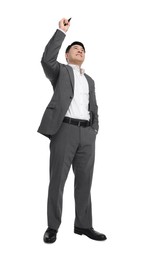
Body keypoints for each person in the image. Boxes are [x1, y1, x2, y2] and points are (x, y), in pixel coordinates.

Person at [38, 18, 107, 243]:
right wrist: (61, 32)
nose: (80, 50)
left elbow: (93, 106)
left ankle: (83, 225)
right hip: (64, 130)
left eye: (83, 50)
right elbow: (46, 59)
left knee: (85, 181)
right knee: (57, 180)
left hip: (87, 134)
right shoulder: (60, 72)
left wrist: (94, 128)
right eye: (75, 49)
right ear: (67, 55)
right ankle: (52, 227)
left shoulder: (90, 80)